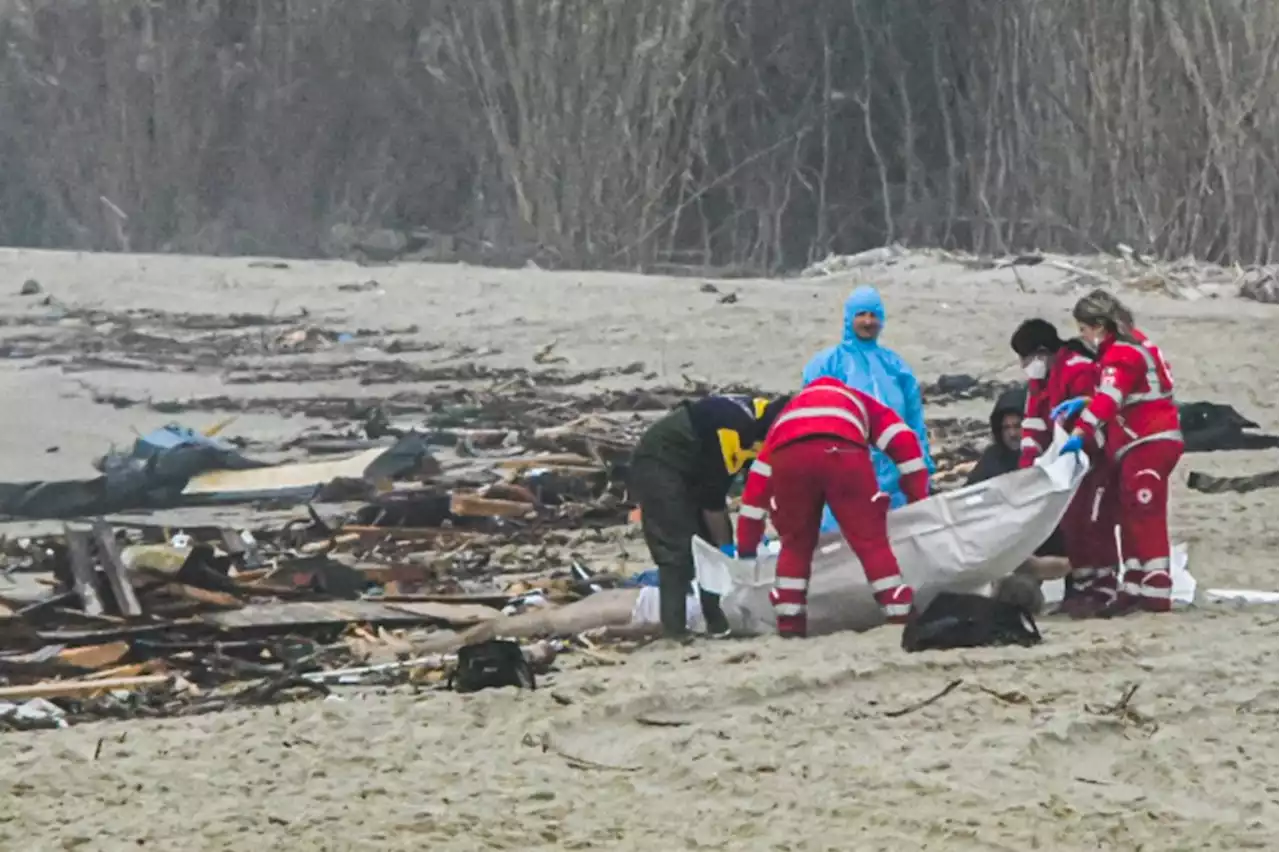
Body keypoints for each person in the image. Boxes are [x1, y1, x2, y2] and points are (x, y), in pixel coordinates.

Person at [734, 377, 929, 637]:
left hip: (789, 457)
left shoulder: (787, 420)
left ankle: (790, 620)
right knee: (870, 540)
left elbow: (756, 488)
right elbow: (902, 440)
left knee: (795, 543)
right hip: (842, 450)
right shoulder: (859, 401)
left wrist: (747, 547)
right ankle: (897, 611)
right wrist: (917, 497)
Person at [1053, 289, 1183, 616]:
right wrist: (1084, 402)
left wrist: (1081, 431)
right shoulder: (1134, 346)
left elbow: (1110, 399)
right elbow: (1127, 391)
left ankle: (1155, 588)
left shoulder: (1121, 354)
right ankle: (1135, 582)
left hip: (1147, 440)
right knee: (1129, 512)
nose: (1082, 336)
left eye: (1084, 328)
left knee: (1144, 510)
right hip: (1138, 442)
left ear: (1098, 326)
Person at [629, 393, 788, 639]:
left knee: (707, 549)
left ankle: (716, 622)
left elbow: (756, 489)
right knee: (677, 551)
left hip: (695, 467)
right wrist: (726, 548)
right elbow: (712, 502)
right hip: (661, 462)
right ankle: (675, 631)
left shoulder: (759, 423)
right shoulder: (732, 429)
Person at [1010, 318, 1118, 614]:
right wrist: (1028, 467)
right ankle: (1082, 587)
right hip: (1064, 463)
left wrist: (1080, 444)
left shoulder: (1078, 370)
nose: (1025, 365)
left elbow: (1095, 413)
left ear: (1043, 352)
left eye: (1026, 357)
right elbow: (1034, 423)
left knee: (1094, 522)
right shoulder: (1041, 379)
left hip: (1092, 458)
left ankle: (1105, 586)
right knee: (1072, 523)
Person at [802, 285, 935, 515]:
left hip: (895, 477)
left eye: (874, 315)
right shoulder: (827, 365)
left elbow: (914, 420)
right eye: (861, 314)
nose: (867, 321)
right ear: (848, 318)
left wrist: (922, 463)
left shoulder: (895, 366)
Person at [964, 384, 1069, 607]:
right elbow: (970, 500)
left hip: (1055, 539)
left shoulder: (1052, 453)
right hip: (1012, 548)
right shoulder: (992, 460)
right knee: (1019, 595)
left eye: (1018, 425)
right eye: (1006, 428)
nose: (1012, 433)